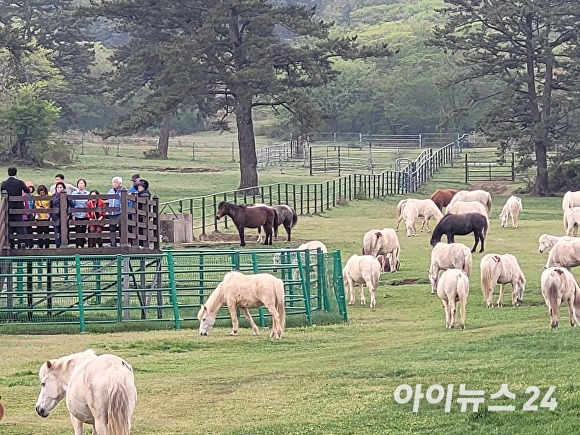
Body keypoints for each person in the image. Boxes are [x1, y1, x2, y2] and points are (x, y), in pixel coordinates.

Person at [1, 167, 31, 248]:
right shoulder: (19, 182)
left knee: (9, 226)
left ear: (8, 173)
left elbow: (2, 192)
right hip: (18, 208)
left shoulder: (4, 183)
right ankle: (22, 243)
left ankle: (10, 244)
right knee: (20, 225)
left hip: (8, 207)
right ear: (16, 173)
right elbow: (27, 191)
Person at [50, 182, 74, 248]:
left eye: (61, 187)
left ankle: (65, 245)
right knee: (56, 231)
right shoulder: (53, 196)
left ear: (64, 188)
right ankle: (58, 246)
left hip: (65, 217)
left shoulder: (67, 196)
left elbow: (72, 206)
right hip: (55, 217)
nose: (59, 189)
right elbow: (51, 206)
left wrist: (69, 214)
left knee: (65, 231)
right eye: (58, 187)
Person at [71, 178, 89, 248]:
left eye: (82, 183)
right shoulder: (74, 193)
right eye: (79, 183)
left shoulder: (88, 193)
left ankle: (82, 245)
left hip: (85, 215)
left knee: (83, 230)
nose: (81, 185)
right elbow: (72, 204)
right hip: (77, 214)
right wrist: (73, 214)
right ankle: (78, 246)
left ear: (85, 185)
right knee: (78, 230)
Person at [107, 176, 123, 247]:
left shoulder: (122, 191)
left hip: (119, 213)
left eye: (116, 182)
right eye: (113, 182)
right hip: (111, 213)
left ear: (120, 183)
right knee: (112, 228)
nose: (114, 184)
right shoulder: (110, 191)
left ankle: (122, 243)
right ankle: (113, 244)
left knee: (121, 228)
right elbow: (107, 200)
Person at [136, 180, 150, 247]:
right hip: (140, 214)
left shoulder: (144, 194)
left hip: (142, 215)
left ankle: (141, 244)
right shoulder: (140, 194)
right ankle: (140, 244)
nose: (139, 187)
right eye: (139, 186)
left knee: (141, 229)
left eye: (141, 186)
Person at [23, 181, 35, 248]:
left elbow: (33, 206)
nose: (30, 189)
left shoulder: (33, 196)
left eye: (31, 188)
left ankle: (31, 244)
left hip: (30, 214)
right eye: (28, 187)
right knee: (25, 229)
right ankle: (26, 244)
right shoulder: (23, 196)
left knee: (30, 229)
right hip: (24, 214)